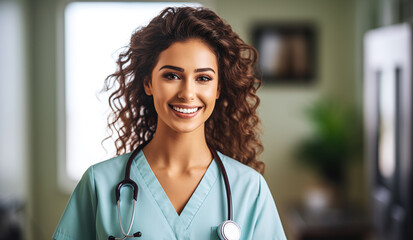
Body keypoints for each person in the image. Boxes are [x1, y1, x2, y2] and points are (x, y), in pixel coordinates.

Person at [53, 6, 286, 240]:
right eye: (172, 76)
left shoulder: (249, 189)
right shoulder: (99, 184)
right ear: (148, 83)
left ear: (218, 89)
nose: (187, 93)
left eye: (203, 78)